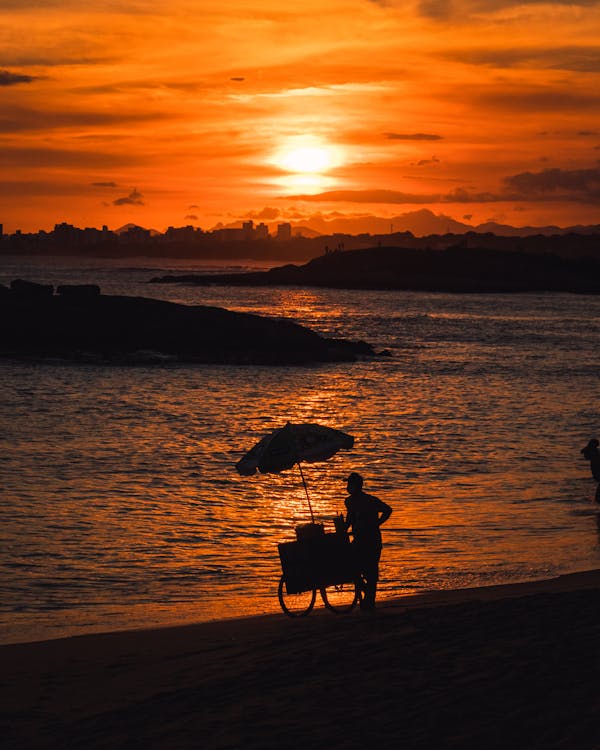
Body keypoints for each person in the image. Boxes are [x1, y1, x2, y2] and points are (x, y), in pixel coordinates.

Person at [344, 472, 392, 611]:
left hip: (371, 542)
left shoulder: (370, 500)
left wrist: (377, 523)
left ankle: (369, 600)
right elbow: (350, 519)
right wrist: (342, 528)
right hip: (360, 541)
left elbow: (388, 510)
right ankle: (367, 594)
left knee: (370, 572)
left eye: (349, 484)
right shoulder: (349, 502)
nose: (348, 487)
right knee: (353, 567)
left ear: (356, 486)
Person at [581, 439, 600, 503]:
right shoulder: (590, 450)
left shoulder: (595, 451)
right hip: (596, 470)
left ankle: (597, 500)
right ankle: (597, 500)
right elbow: (585, 454)